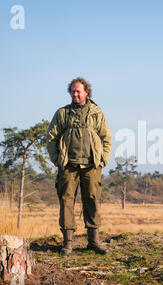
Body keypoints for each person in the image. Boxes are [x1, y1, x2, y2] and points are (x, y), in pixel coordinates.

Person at [47, 77, 112, 255]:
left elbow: (106, 137)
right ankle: (68, 243)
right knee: (66, 201)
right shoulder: (62, 113)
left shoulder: (96, 113)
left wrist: (102, 161)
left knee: (92, 199)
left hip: (92, 166)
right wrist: (57, 160)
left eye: (78, 91)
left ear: (86, 92)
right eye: (72, 91)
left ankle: (94, 241)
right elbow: (51, 138)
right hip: (68, 166)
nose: (75, 94)